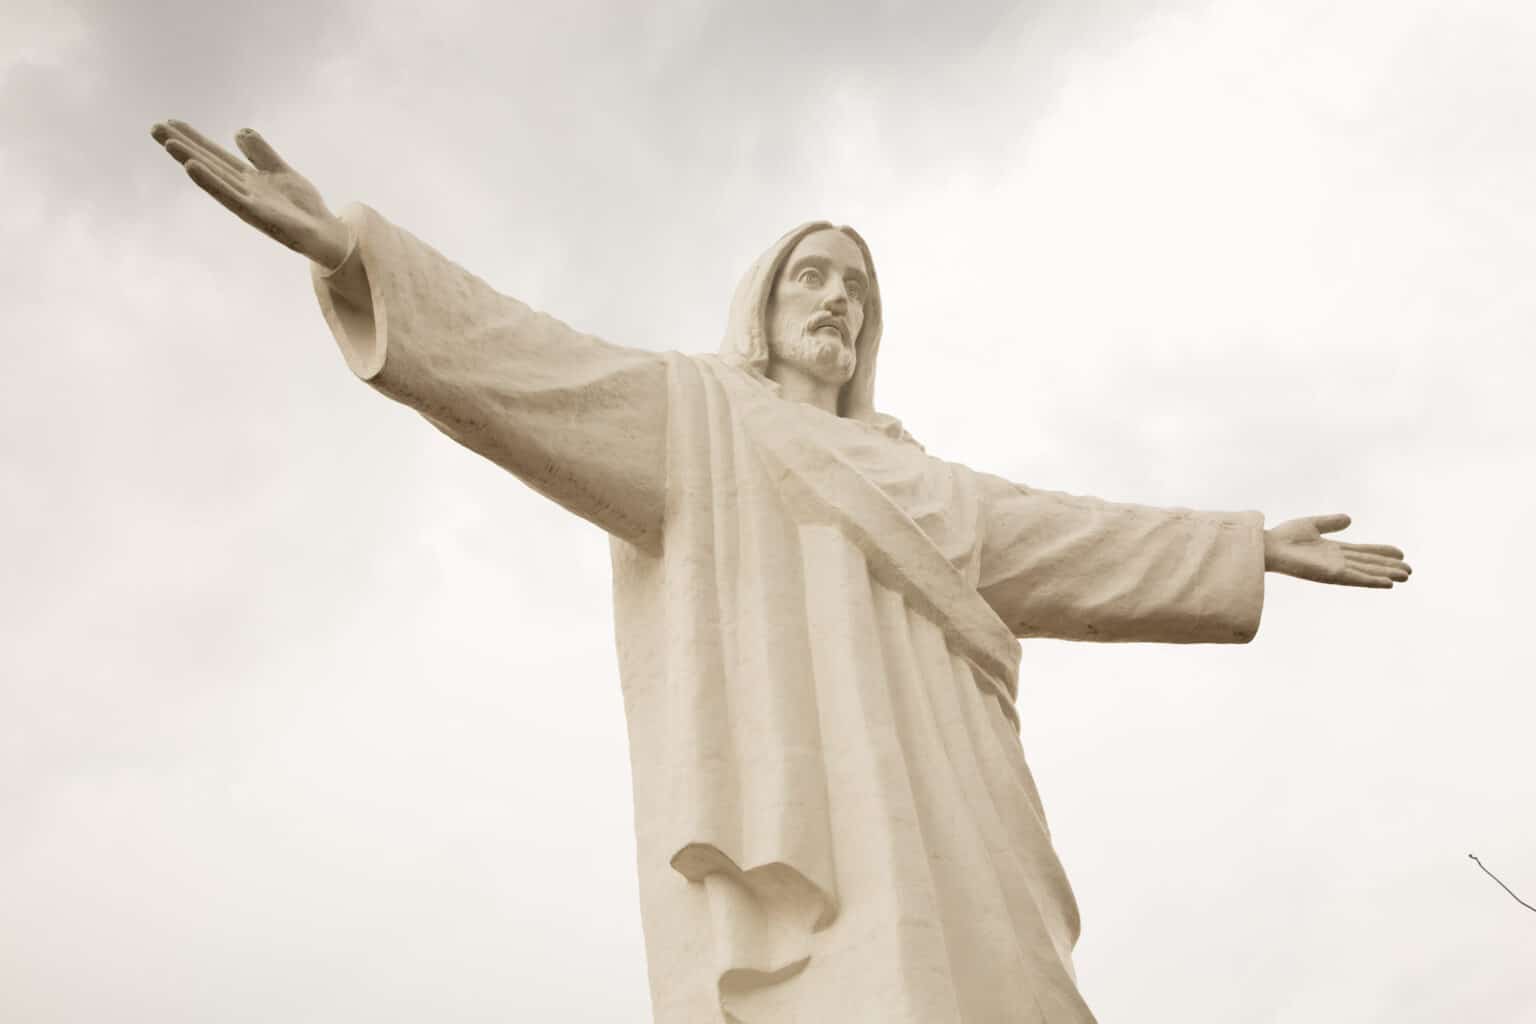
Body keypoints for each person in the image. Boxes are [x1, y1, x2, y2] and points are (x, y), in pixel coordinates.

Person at [150, 121, 1412, 1023]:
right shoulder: (698, 420)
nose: (839, 302)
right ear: (763, 301)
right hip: (816, 818)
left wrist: (1242, 546)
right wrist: (363, 256)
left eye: (857, 289)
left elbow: (1069, 536)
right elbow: (528, 369)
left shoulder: (922, 479)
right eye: (814, 276)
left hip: (957, 807)